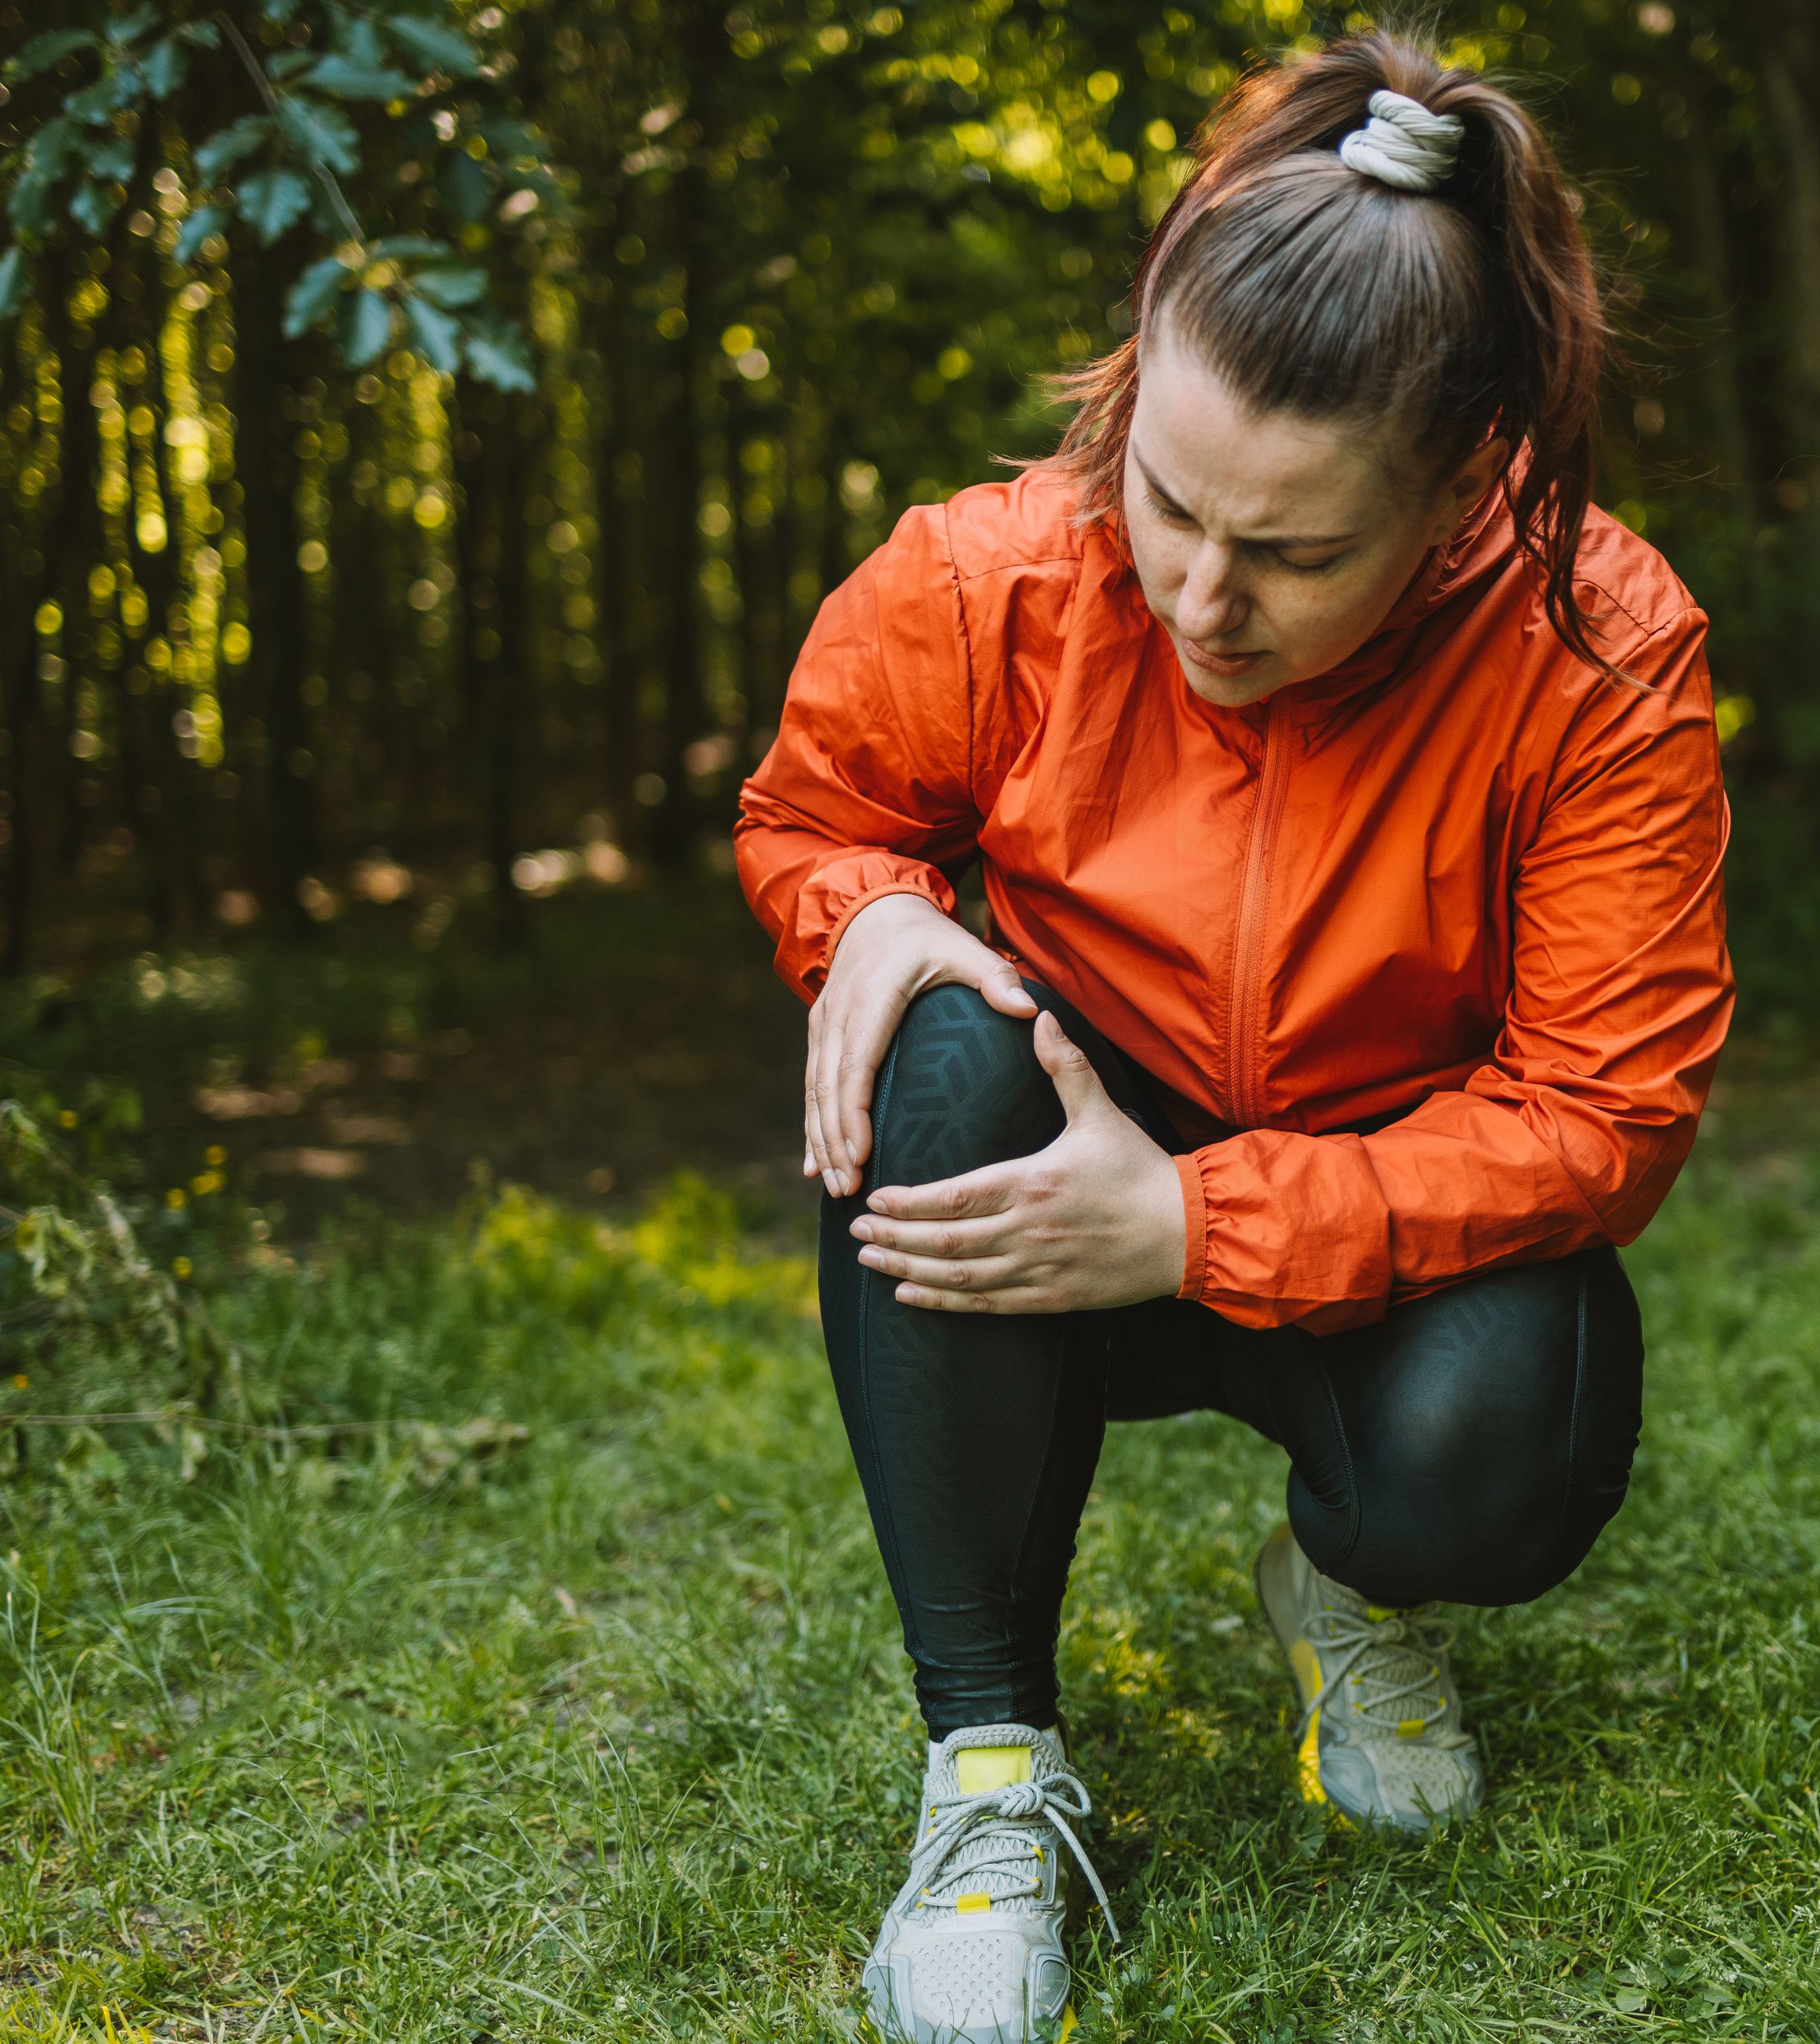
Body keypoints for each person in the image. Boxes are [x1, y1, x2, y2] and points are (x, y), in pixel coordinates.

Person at [735, 30, 1734, 2044]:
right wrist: (874, 925)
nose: (1201, 593)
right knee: (932, 1043)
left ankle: (1350, 1594)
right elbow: (813, 816)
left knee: (1515, 1427)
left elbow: (1604, 1113)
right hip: (1047, 1167)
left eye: (1291, 554)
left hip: (1369, 1230)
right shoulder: (986, 574)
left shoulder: (1605, 653)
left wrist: (1191, 1225)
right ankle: (993, 1779)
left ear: (1463, 488)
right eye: (1169, 503)